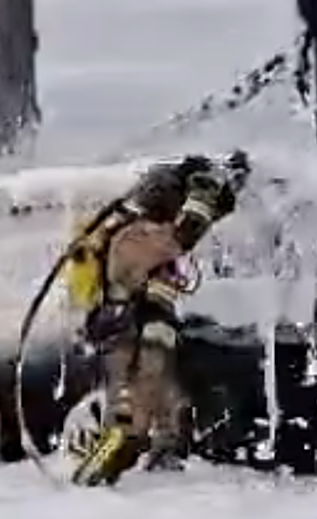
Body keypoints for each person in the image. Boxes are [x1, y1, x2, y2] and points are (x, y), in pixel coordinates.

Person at [71, 151, 248, 487]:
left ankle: (161, 480)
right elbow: (180, 237)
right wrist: (205, 199)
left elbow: (188, 233)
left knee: (171, 414)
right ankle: (88, 491)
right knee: (127, 428)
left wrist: (229, 186)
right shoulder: (132, 237)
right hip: (127, 333)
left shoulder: (148, 232)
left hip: (155, 332)